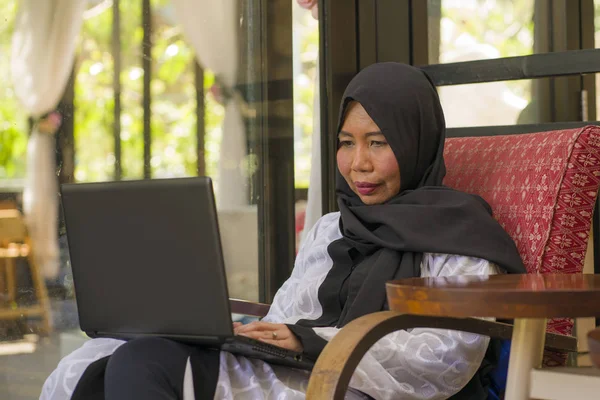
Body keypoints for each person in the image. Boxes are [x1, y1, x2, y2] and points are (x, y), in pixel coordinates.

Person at [41, 62, 525, 400]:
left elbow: (446, 356)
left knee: (143, 367)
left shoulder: (459, 234)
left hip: (352, 384)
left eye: (379, 143)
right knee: (118, 358)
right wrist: (244, 333)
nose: (359, 164)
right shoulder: (334, 227)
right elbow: (288, 315)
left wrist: (309, 341)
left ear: (417, 142)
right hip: (291, 373)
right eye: (346, 143)